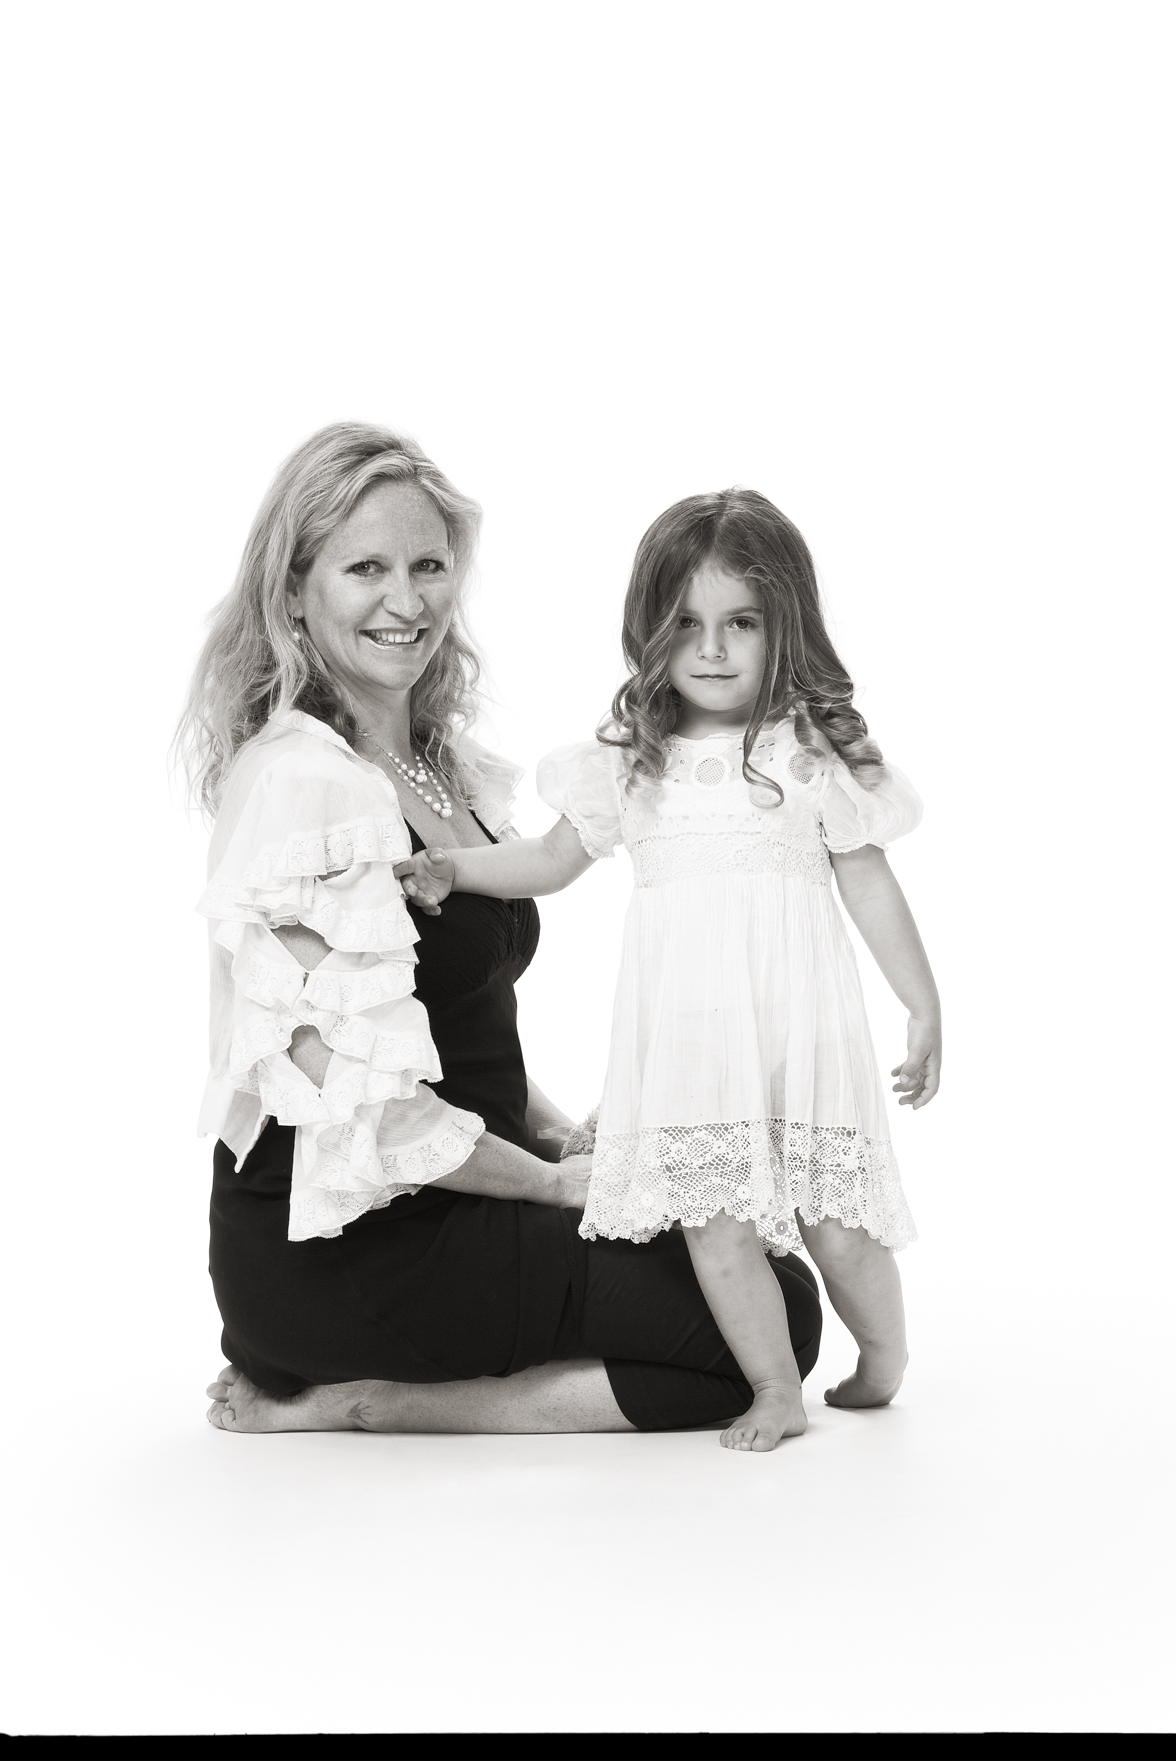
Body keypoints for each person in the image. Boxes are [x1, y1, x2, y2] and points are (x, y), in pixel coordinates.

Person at [183, 427, 821, 1434]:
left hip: (467, 1190)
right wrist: (556, 1186)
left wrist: (566, 1137)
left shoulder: (446, 769)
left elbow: (458, 1027)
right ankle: (376, 1402)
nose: (407, 601)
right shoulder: (304, 782)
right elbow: (368, 1105)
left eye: (428, 566)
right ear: (294, 590)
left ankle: (401, 1385)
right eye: (365, 569)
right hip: (350, 1245)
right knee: (766, 1331)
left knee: (763, 1282)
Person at [394, 488, 940, 1452]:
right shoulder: (631, 761)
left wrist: (921, 1004)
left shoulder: (808, 754)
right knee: (712, 1224)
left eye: (741, 623)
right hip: (689, 1043)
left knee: (837, 1225)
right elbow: (551, 861)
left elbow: (868, 882)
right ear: (649, 630)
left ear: (785, 624)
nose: (712, 650)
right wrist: (455, 867)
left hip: (801, 1031)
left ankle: (884, 1358)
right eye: (685, 624)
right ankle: (774, 1388)